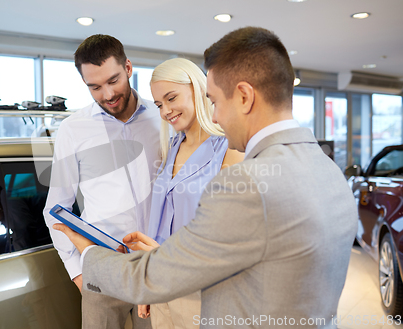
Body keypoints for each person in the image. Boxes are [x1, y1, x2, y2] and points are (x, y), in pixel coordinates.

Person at [54, 27, 358, 328]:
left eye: (214, 101)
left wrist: (89, 251)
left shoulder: (246, 182)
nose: (213, 116)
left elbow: (178, 270)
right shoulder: (329, 171)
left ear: (244, 97)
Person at [43, 34, 160, 329]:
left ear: (129, 68)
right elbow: (56, 208)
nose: (107, 94)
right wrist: (77, 272)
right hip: (102, 268)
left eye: (113, 80)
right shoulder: (73, 129)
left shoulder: (163, 118)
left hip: (157, 263)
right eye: (94, 87)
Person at [132, 58, 243, 328]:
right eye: (159, 104)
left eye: (171, 98)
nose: (165, 111)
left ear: (196, 88)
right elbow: (157, 224)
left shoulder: (229, 148)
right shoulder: (171, 147)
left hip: (203, 290)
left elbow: (233, 234)